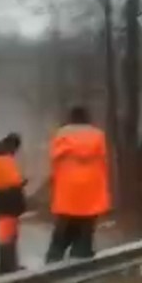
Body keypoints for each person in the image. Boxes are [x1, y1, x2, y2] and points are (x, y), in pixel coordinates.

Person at [46, 106, 112, 263]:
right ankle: (80, 268)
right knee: (85, 236)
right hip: (91, 196)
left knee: (60, 237)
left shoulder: (61, 135)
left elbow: (54, 162)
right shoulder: (98, 136)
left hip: (67, 195)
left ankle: (51, 269)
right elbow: (104, 162)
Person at [0, 133, 27, 274]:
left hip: (2, 199)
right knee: (8, 234)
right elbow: (9, 181)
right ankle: (7, 268)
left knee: (8, 233)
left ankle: (7, 266)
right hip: (8, 200)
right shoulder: (4, 157)